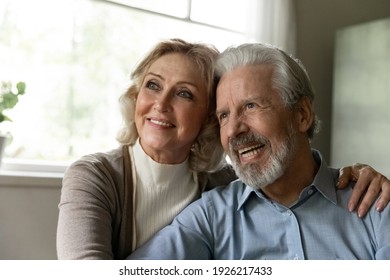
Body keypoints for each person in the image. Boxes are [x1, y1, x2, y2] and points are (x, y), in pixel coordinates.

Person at [57, 39, 389, 260]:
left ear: (301, 115)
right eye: (224, 115)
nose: (235, 130)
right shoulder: (211, 213)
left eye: (251, 106)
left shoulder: (374, 205)